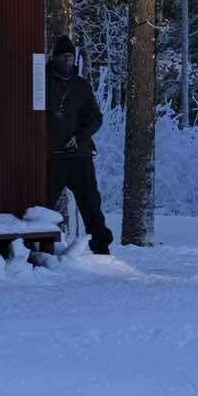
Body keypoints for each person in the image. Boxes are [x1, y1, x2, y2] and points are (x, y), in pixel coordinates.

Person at [45, 35, 112, 255]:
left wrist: (81, 136)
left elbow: (95, 117)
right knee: (41, 207)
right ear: (54, 58)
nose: (67, 61)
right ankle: (35, 248)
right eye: (63, 56)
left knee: (91, 204)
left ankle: (101, 249)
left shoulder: (81, 86)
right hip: (52, 157)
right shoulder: (42, 82)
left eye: (71, 57)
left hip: (79, 156)